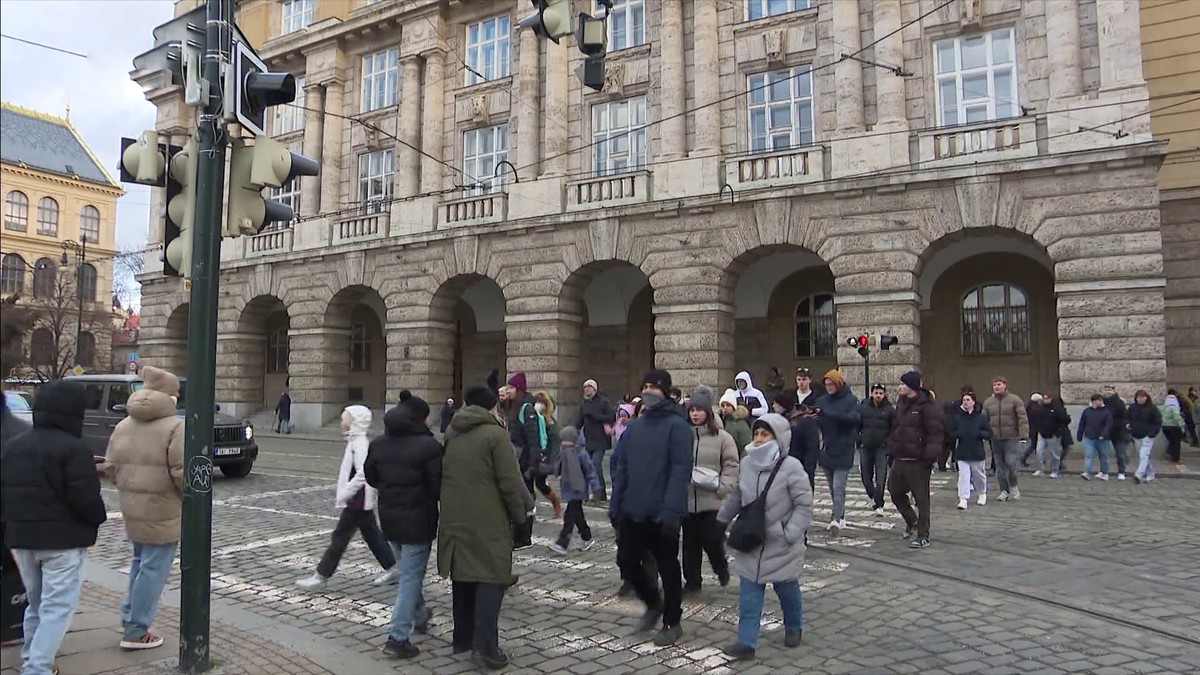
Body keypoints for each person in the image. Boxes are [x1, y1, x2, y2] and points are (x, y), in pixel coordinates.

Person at [1, 380, 108, 675]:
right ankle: (37, 667)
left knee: (35, 603)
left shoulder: (14, 446)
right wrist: (97, 518)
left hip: (22, 539)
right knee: (57, 607)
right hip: (63, 542)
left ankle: (31, 656)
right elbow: (85, 498)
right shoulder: (74, 449)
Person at [438, 385, 529, 671]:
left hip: (455, 515)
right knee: (492, 576)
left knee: (463, 575)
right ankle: (485, 648)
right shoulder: (495, 435)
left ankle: (463, 638)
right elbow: (509, 482)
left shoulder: (453, 431)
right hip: (488, 518)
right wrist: (521, 517)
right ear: (491, 407)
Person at [717, 413, 812, 661]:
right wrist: (721, 519)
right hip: (751, 539)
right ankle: (746, 643)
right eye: (756, 434)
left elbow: (804, 505)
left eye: (765, 434)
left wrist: (789, 533)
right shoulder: (747, 463)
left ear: (778, 437)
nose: (758, 439)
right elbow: (737, 496)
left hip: (780, 545)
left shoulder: (792, 467)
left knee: (787, 590)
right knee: (749, 597)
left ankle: (794, 627)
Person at [103, 366, 185, 651]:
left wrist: (129, 488)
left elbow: (110, 467)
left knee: (140, 563)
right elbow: (182, 473)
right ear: (169, 395)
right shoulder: (175, 427)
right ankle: (136, 629)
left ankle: (130, 619)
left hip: (132, 507)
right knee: (153, 569)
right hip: (164, 509)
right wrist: (184, 497)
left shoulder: (124, 424)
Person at [609, 369, 692, 647]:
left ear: (666, 392)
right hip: (633, 508)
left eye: (654, 387)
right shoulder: (635, 427)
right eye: (644, 386)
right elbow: (621, 467)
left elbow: (680, 471)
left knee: (668, 567)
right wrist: (616, 505)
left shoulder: (677, 426)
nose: (648, 392)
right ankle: (653, 603)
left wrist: (672, 510)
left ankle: (672, 621)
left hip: (662, 511)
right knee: (626, 561)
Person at [365, 396, 443, 660]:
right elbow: (437, 486)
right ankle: (397, 637)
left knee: (409, 573)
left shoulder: (378, 443)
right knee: (410, 577)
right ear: (420, 418)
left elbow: (371, 477)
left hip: (389, 517)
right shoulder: (429, 446)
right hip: (418, 520)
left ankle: (419, 615)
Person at [297, 406, 398, 590]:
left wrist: (346, 492)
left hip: (357, 500)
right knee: (372, 535)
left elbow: (362, 474)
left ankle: (321, 575)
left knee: (340, 537)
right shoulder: (354, 442)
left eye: (345, 419)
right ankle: (393, 567)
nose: (341, 423)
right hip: (357, 499)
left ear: (355, 423)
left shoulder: (360, 444)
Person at [682, 387, 738, 594]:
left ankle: (720, 566)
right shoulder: (684, 436)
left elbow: (731, 464)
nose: (695, 414)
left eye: (699, 410)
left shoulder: (722, 437)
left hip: (713, 499)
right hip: (688, 499)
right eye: (692, 410)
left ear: (707, 412)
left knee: (711, 540)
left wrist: (724, 487)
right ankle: (692, 582)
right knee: (690, 545)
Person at [887, 371, 944, 548]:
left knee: (921, 498)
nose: (900, 387)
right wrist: (891, 449)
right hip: (900, 456)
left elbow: (935, 433)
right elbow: (896, 428)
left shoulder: (927, 406)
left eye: (903, 384)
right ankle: (912, 521)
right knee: (894, 490)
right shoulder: (902, 403)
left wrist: (929, 456)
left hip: (918, 460)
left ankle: (923, 535)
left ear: (911, 386)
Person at [813, 370, 861, 537]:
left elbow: (853, 419)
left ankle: (836, 518)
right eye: (826, 385)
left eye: (831, 384)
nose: (829, 387)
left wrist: (826, 413)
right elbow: (818, 423)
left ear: (838, 384)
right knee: (832, 487)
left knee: (838, 487)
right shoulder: (821, 400)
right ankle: (840, 513)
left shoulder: (851, 400)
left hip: (844, 449)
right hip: (827, 449)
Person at [545, 426, 600, 555]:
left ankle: (563, 542)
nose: (563, 444)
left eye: (566, 441)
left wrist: (595, 486)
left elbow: (590, 470)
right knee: (578, 516)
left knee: (569, 516)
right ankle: (587, 537)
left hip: (578, 489)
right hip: (568, 489)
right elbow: (556, 467)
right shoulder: (564, 452)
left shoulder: (581, 454)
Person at [982, 377, 1029, 502]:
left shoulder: (1014, 400)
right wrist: (984, 434)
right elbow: (984, 420)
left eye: (999, 384)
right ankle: (1004, 491)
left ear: (1005, 385)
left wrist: (1023, 435)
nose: (996, 387)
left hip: (1011, 437)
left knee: (1011, 463)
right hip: (995, 438)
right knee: (1000, 467)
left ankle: (1014, 486)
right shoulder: (988, 402)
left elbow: (1022, 418)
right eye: (994, 385)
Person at [948, 392, 991, 509]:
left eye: (968, 400)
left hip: (976, 451)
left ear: (973, 402)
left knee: (979, 475)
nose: (965, 402)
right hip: (962, 451)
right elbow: (951, 432)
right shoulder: (958, 418)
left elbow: (988, 433)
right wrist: (958, 434)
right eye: (964, 400)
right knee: (963, 476)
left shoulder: (980, 417)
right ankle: (963, 498)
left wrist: (979, 433)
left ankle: (982, 493)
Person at [576, 379, 616, 503]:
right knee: (588, 466)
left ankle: (600, 492)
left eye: (589, 387)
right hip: (589, 439)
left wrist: (595, 417)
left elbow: (611, 416)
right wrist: (572, 432)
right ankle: (593, 492)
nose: (586, 389)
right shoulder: (584, 403)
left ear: (594, 389)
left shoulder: (603, 401)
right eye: (585, 387)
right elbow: (579, 420)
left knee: (595, 465)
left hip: (601, 439)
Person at [857, 384, 894, 516]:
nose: (878, 395)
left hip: (881, 448)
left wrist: (888, 443)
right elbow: (858, 425)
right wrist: (859, 440)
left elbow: (893, 429)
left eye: (880, 393)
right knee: (866, 477)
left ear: (884, 394)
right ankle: (872, 495)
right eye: (876, 393)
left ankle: (879, 503)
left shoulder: (889, 410)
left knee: (881, 478)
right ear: (872, 394)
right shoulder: (864, 408)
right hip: (866, 446)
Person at [1030, 394, 1071, 478]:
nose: (1045, 400)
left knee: (1055, 454)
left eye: (1047, 398)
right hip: (1042, 433)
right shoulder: (1040, 408)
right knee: (1039, 451)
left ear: (1051, 399)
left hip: (1054, 434)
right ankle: (1040, 469)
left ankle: (1055, 471)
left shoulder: (1057, 408)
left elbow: (1065, 419)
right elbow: (1036, 420)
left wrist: (1059, 429)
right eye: (1044, 398)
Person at [1126, 390, 1162, 484]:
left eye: (1142, 397)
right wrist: (1127, 424)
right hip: (1136, 435)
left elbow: (1158, 421)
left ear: (1146, 397)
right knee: (1143, 457)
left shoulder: (1152, 408)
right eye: (1138, 397)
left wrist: (1152, 433)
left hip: (1148, 436)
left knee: (1143, 455)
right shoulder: (1132, 407)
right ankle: (1151, 473)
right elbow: (1127, 417)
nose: (1140, 399)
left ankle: (1139, 474)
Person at [1077, 394, 1115, 480]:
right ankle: (1087, 472)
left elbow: (1108, 424)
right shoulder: (1087, 411)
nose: (1098, 402)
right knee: (1089, 455)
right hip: (1089, 436)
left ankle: (1105, 472)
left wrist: (1103, 434)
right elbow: (1082, 423)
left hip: (1102, 438)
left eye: (1099, 400)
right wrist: (1080, 435)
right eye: (1096, 401)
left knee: (1104, 455)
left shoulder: (1106, 412)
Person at [1102, 385, 1130, 480]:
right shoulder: (1102, 402)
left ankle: (1121, 472)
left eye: (1110, 390)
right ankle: (1104, 472)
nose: (1108, 392)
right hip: (1105, 431)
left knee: (1120, 454)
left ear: (1114, 392)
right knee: (1104, 453)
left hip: (1118, 431)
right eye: (1106, 390)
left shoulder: (1119, 402)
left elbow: (1124, 417)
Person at [718, 390, 752, 456]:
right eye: (723, 405)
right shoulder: (717, 421)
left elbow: (746, 445)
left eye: (728, 405)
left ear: (733, 407)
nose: (725, 408)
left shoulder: (740, 423)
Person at [1162, 394, 1185, 463]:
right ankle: (1175, 458)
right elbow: (1177, 418)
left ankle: (1169, 453)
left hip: (1165, 427)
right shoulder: (1174, 407)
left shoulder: (1164, 408)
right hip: (1174, 427)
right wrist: (1182, 426)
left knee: (1171, 441)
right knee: (1176, 443)